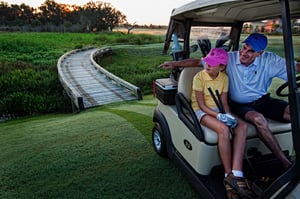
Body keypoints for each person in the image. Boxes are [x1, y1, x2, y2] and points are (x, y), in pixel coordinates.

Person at [160, 33, 300, 170]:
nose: (244, 53)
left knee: (294, 112)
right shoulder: (229, 59)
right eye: (244, 47)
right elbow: (198, 62)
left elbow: (295, 67)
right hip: (240, 105)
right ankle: (285, 163)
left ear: (260, 53)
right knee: (258, 119)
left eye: (250, 51)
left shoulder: (270, 60)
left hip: (263, 100)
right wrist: (174, 63)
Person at [191, 48, 254, 199]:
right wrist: (219, 117)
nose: (208, 65)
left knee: (242, 126)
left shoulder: (224, 78)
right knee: (223, 130)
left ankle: (237, 173)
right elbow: (201, 105)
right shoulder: (199, 77)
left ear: (222, 67)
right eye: (207, 62)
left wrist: (228, 115)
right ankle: (229, 176)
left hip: (219, 109)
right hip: (202, 111)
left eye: (212, 64)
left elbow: (224, 103)